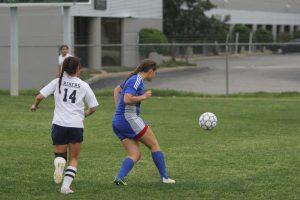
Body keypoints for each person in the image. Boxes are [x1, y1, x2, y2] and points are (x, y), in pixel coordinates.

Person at [30, 56, 99, 194]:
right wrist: (84, 114)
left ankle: (59, 164)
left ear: (64, 69)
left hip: (59, 124)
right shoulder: (83, 85)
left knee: (60, 155)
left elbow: (39, 97)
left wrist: (35, 106)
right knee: (73, 158)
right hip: (76, 125)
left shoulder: (58, 82)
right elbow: (93, 107)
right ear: (78, 69)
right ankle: (65, 187)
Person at [112, 59, 175, 185]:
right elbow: (127, 99)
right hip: (129, 119)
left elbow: (116, 90)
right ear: (150, 71)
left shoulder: (133, 78)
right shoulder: (136, 80)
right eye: (155, 72)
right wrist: (144, 97)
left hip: (118, 121)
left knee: (135, 154)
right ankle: (165, 177)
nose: (155, 75)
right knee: (154, 145)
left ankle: (119, 178)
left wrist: (117, 110)